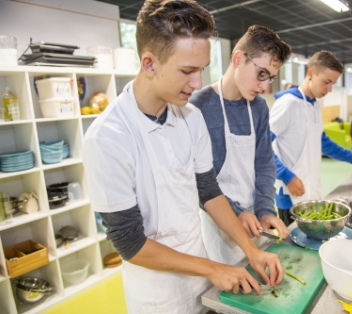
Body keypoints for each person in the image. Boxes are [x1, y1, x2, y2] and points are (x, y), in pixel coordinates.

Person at [82, 2, 284, 313]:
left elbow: (209, 191)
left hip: (202, 281)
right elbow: (129, 243)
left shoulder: (190, 118)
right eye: (187, 71)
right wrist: (213, 268)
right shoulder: (108, 138)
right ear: (150, 64)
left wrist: (251, 251)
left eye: (201, 70)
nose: (198, 83)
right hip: (157, 294)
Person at [190, 25, 291, 265]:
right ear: (238, 59)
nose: (265, 85)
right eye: (261, 74)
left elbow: (265, 163)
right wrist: (236, 213)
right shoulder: (198, 107)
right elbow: (198, 182)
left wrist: (266, 210)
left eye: (271, 78)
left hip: (254, 220)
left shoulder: (258, 107)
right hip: (215, 226)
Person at [270, 51, 352, 226]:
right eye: (327, 82)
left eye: (333, 84)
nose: (329, 90)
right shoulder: (288, 104)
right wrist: (286, 176)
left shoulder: (314, 106)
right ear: (311, 73)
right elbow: (261, 145)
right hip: (289, 194)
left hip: (311, 189)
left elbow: (324, 143)